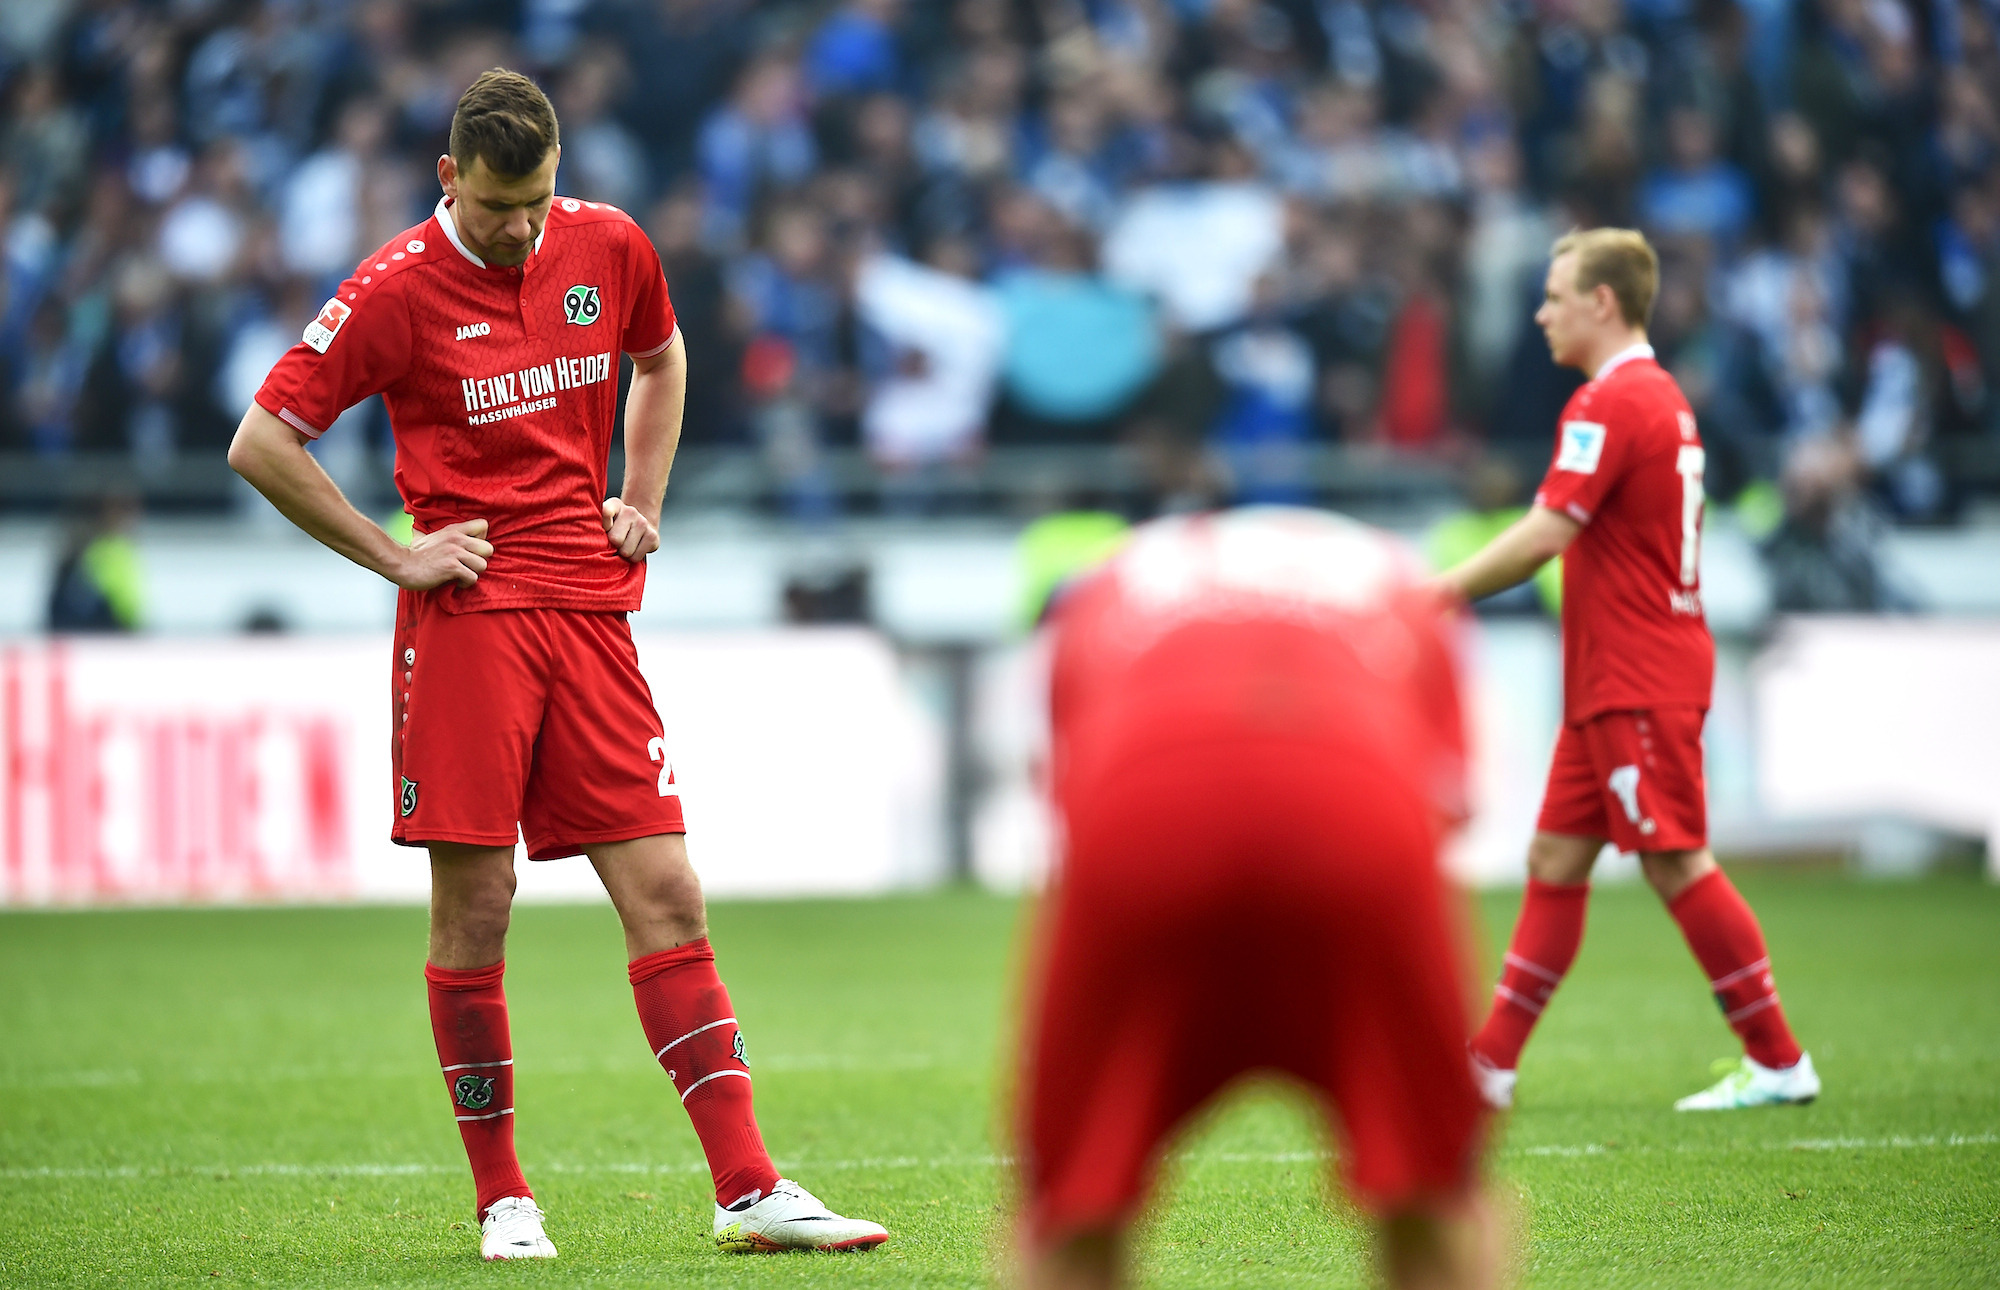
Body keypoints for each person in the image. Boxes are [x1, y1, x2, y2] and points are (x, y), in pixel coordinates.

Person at [227, 69, 886, 1261]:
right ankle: (503, 1199)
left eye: (535, 200)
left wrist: (640, 497)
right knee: (478, 910)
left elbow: (663, 360)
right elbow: (261, 438)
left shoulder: (609, 245)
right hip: (471, 624)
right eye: (495, 208)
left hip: (589, 615)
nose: (520, 227)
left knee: (669, 896)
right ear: (447, 180)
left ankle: (748, 1187)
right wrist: (393, 555)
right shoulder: (390, 289)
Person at [1019, 507, 1502, 1290]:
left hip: (1143, 820)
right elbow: (1453, 801)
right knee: (1433, 1191)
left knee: (1075, 1206)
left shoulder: (1110, 582)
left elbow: (1056, 792)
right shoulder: (1387, 569)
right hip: (1356, 817)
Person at [1433, 228, 1820, 1113]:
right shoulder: (1660, 398)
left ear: (1602, 302)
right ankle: (1489, 1065)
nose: (1541, 313)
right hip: (1618, 674)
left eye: (1556, 295)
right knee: (1556, 858)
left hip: (1637, 675)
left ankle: (1779, 1060)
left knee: (1675, 862)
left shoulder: (1608, 404)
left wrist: (1436, 594)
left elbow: (1543, 537)